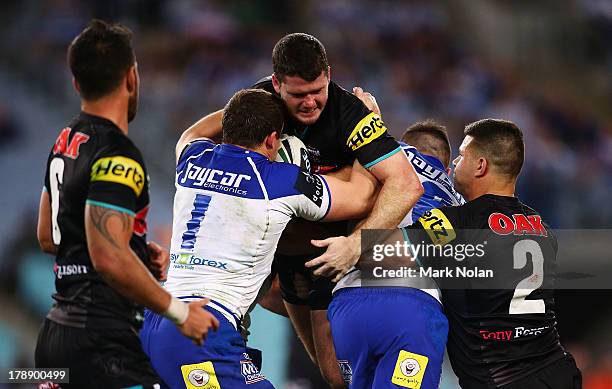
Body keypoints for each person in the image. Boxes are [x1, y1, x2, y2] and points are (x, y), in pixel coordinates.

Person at [178, 32, 423, 387]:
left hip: (326, 257)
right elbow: (192, 136)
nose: (310, 103)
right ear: (277, 84)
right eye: (297, 95)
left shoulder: (352, 114)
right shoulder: (258, 104)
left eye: (317, 90)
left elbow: (406, 184)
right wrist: (234, 110)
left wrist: (355, 244)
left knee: (336, 376)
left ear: (328, 74)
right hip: (270, 254)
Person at [140, 88, 382, 389]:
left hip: (158, 319)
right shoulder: (280, 179)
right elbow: (363, 196)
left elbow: (193, 132)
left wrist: (257, 102)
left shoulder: (193, 157)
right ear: (271, 140)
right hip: (202, 328)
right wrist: (370, 124)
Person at [35, 20, 219, 388]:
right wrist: (180, 313)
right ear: (131, 77)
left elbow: (49, 235)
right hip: (102, 348)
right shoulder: (118, 154)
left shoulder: (66, 140)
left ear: (76, 83)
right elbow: (106, 256)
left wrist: (131, 248)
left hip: (55, 341)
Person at [397, 119, 581, 388]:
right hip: (558, 370)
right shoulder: (542, 227)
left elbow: (383, 249)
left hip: (501, 379)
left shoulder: (454, 224)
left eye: (462, 155)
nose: (455, 164)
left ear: (480, 166)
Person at [328, 120, 465, 389]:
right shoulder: (458, 200)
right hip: (410, 307)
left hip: (348, 304)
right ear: (447, 169)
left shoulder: (381, 159)